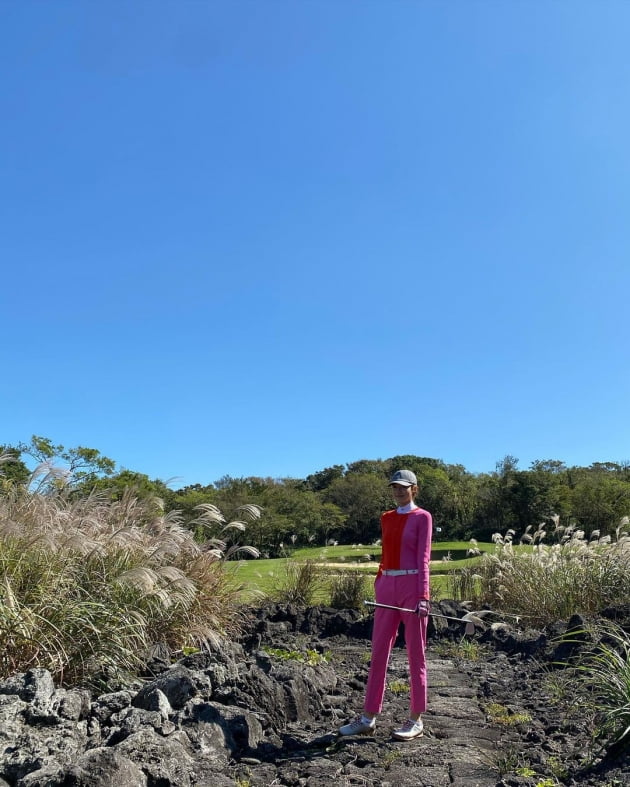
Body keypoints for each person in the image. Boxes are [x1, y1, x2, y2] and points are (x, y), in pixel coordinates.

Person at [339, 469, 432, 741]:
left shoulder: (422, 517)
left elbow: (423, 559)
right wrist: (380, 583)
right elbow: (386, 554)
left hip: (412, 588)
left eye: (404, 487)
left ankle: (416, 718)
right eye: (395, 487)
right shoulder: (386, 518)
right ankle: (368, 717)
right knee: (379, 651)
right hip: (386, 588)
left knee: (416, 652)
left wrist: (423, 596)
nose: (399, 492)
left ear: (414, 488)